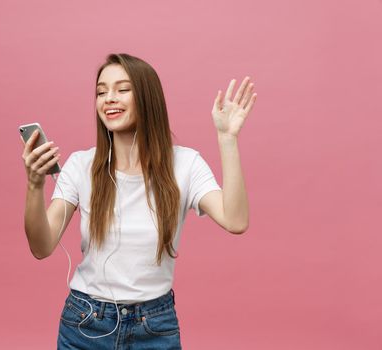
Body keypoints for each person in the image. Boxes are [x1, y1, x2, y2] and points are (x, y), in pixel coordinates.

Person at [20, 53, 256, 349]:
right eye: (101, 91)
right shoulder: (80, 165)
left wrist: (227, 139)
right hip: (86, 323)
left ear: (147, 97)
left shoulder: (185, 164)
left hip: (155, 326)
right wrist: (34, 183)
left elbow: (235, 221)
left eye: (122, 89)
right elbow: (41, 247)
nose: (109, 99)